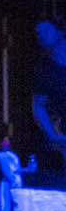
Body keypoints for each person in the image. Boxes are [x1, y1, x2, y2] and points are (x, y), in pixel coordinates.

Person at [33, 21, 66, 156]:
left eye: (45, 30)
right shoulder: (44, 70)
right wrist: (52, 135)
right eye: (38, 33)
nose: (41, 35)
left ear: (60, 32)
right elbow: (38, 106)